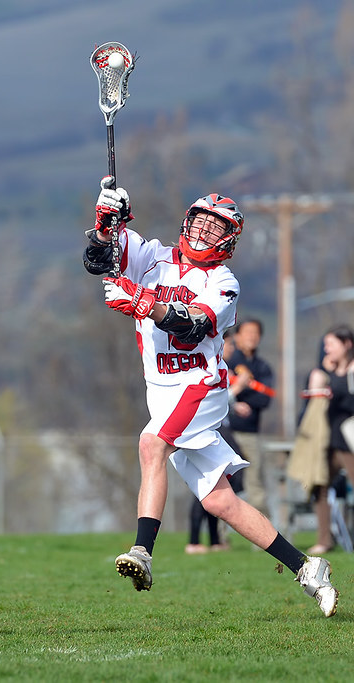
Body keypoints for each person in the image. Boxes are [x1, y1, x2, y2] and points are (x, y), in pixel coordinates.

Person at [83, 176, 337, 616]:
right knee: (220, 500)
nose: (204, 231)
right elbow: (98, 260)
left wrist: (143, 302)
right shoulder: (151, 254)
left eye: (216, 227)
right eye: (200, 221)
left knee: (151, 444)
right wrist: (106, 223)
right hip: (160, 390)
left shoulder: (224, 282)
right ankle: (307, 568)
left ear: (229, 241)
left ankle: (142, 550)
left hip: (200, 385)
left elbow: (190, 324)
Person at [185, 329, 245, 554]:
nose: (230, 349)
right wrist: (240, 387)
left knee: (215, 484)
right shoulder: (206, 363)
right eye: (228, 344)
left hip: (218, 430)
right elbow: (213, 393)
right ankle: (193, 541)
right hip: (204, 431)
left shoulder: (220, 365)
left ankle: (214, 540)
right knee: (204, 486)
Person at [304, 324, 354, 554]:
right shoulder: (326, 371)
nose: (327, 349)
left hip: (350, 441)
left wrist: (333, 389)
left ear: (347, 344)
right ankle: (324, 540)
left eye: (331, 344)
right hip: (330, 440)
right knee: (319, 484)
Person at [227, 319, 275, 519]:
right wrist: (235, 399)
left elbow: (265, 399)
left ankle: (264, 538)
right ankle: (219, 537)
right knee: (225, 484)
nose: (252, 336)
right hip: (227, 431)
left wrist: (241, 395)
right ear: (237, 336)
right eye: (247, 332)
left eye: (256, 332)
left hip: (251, 433)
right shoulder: (227, 360)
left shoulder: (263, 367)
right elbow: (219, 392)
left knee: (255, 484)